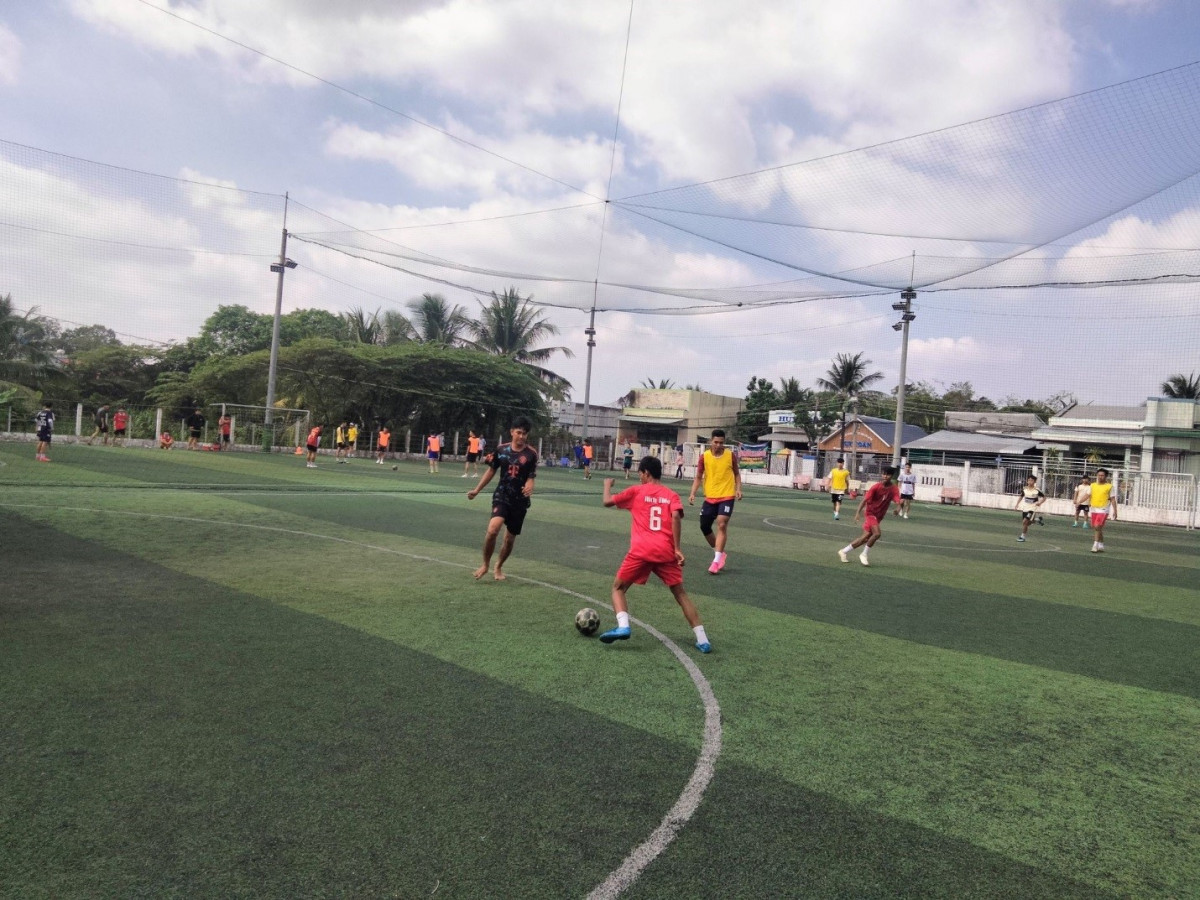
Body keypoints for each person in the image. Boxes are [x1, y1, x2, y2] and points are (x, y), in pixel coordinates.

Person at [598, 456, 711, 653]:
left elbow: (607, 501)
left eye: (640, 474)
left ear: (646, 473)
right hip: (665, 552)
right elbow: (676, 517)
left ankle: (623, 626)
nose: (639, 477)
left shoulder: (636, 491)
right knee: (680, 594)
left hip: (641, 551)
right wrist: (677, 548)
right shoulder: (671, 495)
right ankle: (702, 639)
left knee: (618, 588)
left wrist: (607, 485)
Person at [467, 416, 538, 581]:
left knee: (509, 539)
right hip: (502, 495)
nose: (521, 436)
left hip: (520, 500)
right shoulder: (501, 450)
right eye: (518, 432)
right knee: (493, 530)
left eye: (524, 433)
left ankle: (498, 566)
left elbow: (531, 476)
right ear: (512, 432)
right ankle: (485, 564)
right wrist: (477, 490)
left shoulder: (531, 454)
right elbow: (491, 470)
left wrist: (529, 486)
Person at [688, 428, 742, 575]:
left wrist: (738, 489)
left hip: (727, 495)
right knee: (704, 526)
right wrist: (693, 493)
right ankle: (720, 553)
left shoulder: (730, 455)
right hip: (710, 497)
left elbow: (737, 474)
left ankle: (716, 561)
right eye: (716, 442)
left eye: (721, 443)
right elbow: (698, 477)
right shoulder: (704, 457)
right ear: (711, 441)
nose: (718, 445)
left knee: (721, 523)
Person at [837, 466, 900, 567]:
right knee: (877, 534)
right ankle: (864, 554)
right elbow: (864, 500)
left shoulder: (893, 489)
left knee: (865, 538)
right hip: (870, 513)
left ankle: (843, 551)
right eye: (884, 474)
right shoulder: (876, 487)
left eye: (887, 474)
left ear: (891, 476)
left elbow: (897, 500)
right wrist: (857, 513)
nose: (885, 476)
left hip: (879, 516)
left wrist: (898, 508)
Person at [1089, 468, 1118, 553]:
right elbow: (1089, 495)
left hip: (1104, 509)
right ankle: (1101, 544)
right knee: (1096, 528)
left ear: (1106, 476)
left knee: (1097, 526)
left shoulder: (1109, 486)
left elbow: (1113, 499)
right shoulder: (1093, 485)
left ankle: (1095, 545)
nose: (1100, 477)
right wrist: (1080, 501)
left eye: (1102, 475)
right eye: (1099, 475)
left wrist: (1115, 511)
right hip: (1094, 508)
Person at [1014, 474, 1047, 542]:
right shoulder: (1025, 489)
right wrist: (1017, 504)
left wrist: (1040, 503)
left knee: (1024, 522)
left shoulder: (1037, 490)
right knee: (1027, 523)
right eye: (1029, 480)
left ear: (1034, 482)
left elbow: (1044, 497)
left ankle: (1022, 537)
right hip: (1025, 508)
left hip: (1032, 509)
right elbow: (1021, 496)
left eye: (1031, 480)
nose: (1030, 482)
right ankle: (1036, 520)